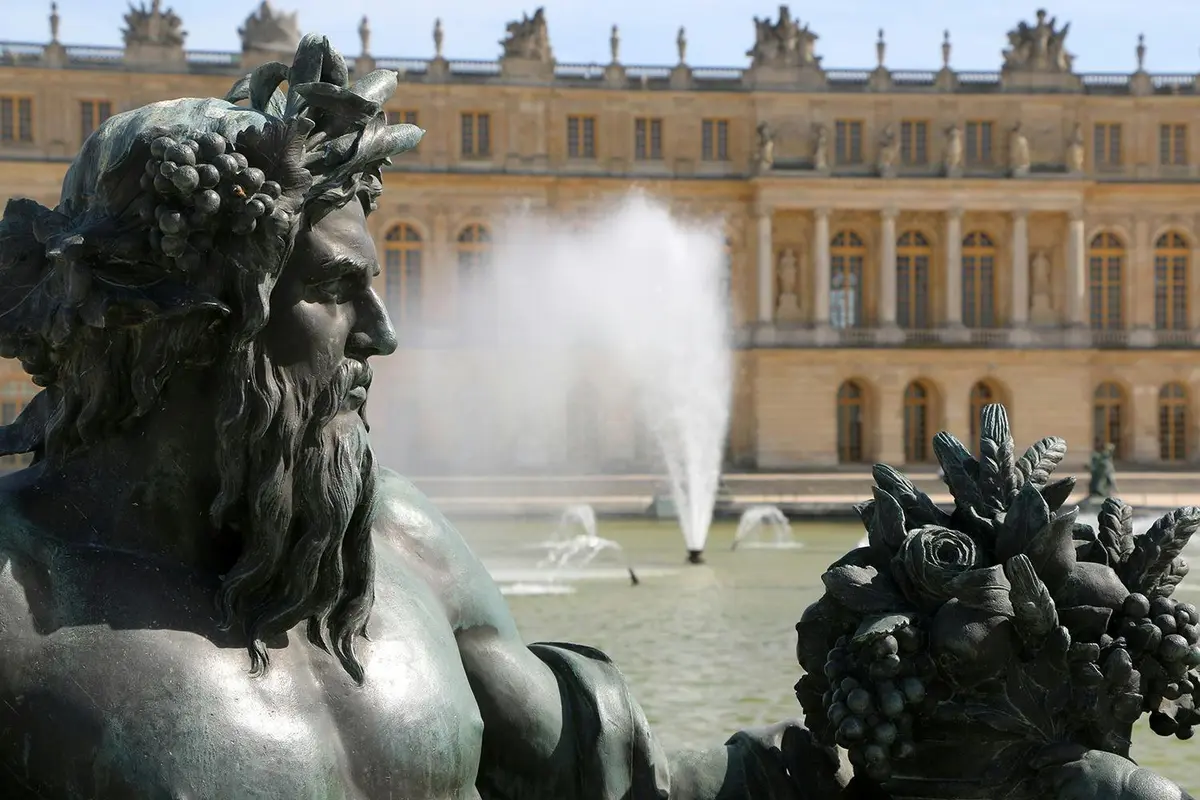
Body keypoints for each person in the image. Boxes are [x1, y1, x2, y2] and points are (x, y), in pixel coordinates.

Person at [0, 35, 845, 799]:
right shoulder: (14, 605)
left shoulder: (397, 540)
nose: (385, 335)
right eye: (335, 290)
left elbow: (603, 775)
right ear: (194, 318)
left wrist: (806, 768)